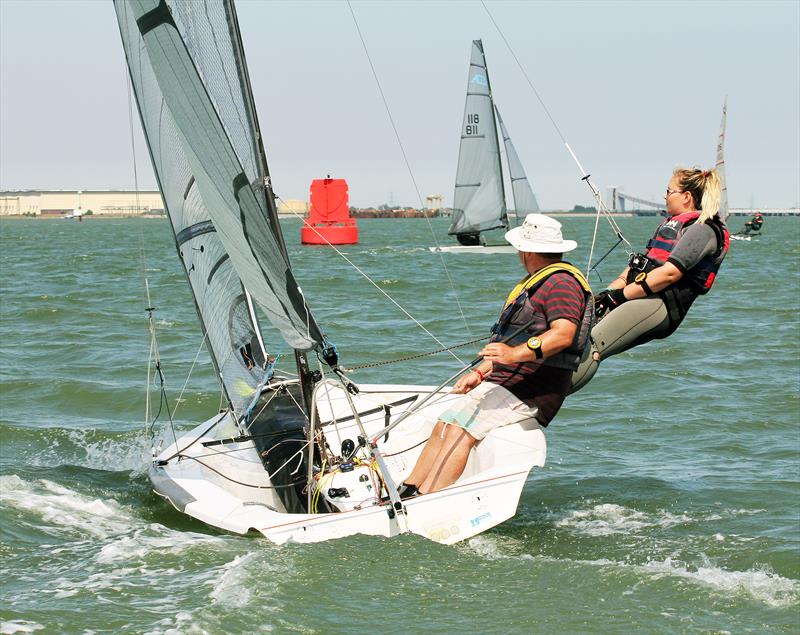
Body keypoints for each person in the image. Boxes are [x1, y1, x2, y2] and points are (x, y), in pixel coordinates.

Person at [399, 214, 592, 497]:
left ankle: (427, 498)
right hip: (509, 380)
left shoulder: (561, 284)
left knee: (461, 430)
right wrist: (481, 371)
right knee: (446, 422)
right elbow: (512, 341)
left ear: (526, 250)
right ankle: (408, 488)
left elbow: (563, 334)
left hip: (535, 387)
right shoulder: (538, 281)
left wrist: (512, 354)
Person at [570, 167, 729, 392]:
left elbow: (670, 273)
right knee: (578, 328)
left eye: (668, 191)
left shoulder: (702, 230)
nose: (664, 197)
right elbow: (636, 268)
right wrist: (606, 294)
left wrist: (619, 296)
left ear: (686, 197)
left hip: (660, 305)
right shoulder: (670, 226)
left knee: (594, 343)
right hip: (637, 295)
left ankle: (539, 402)